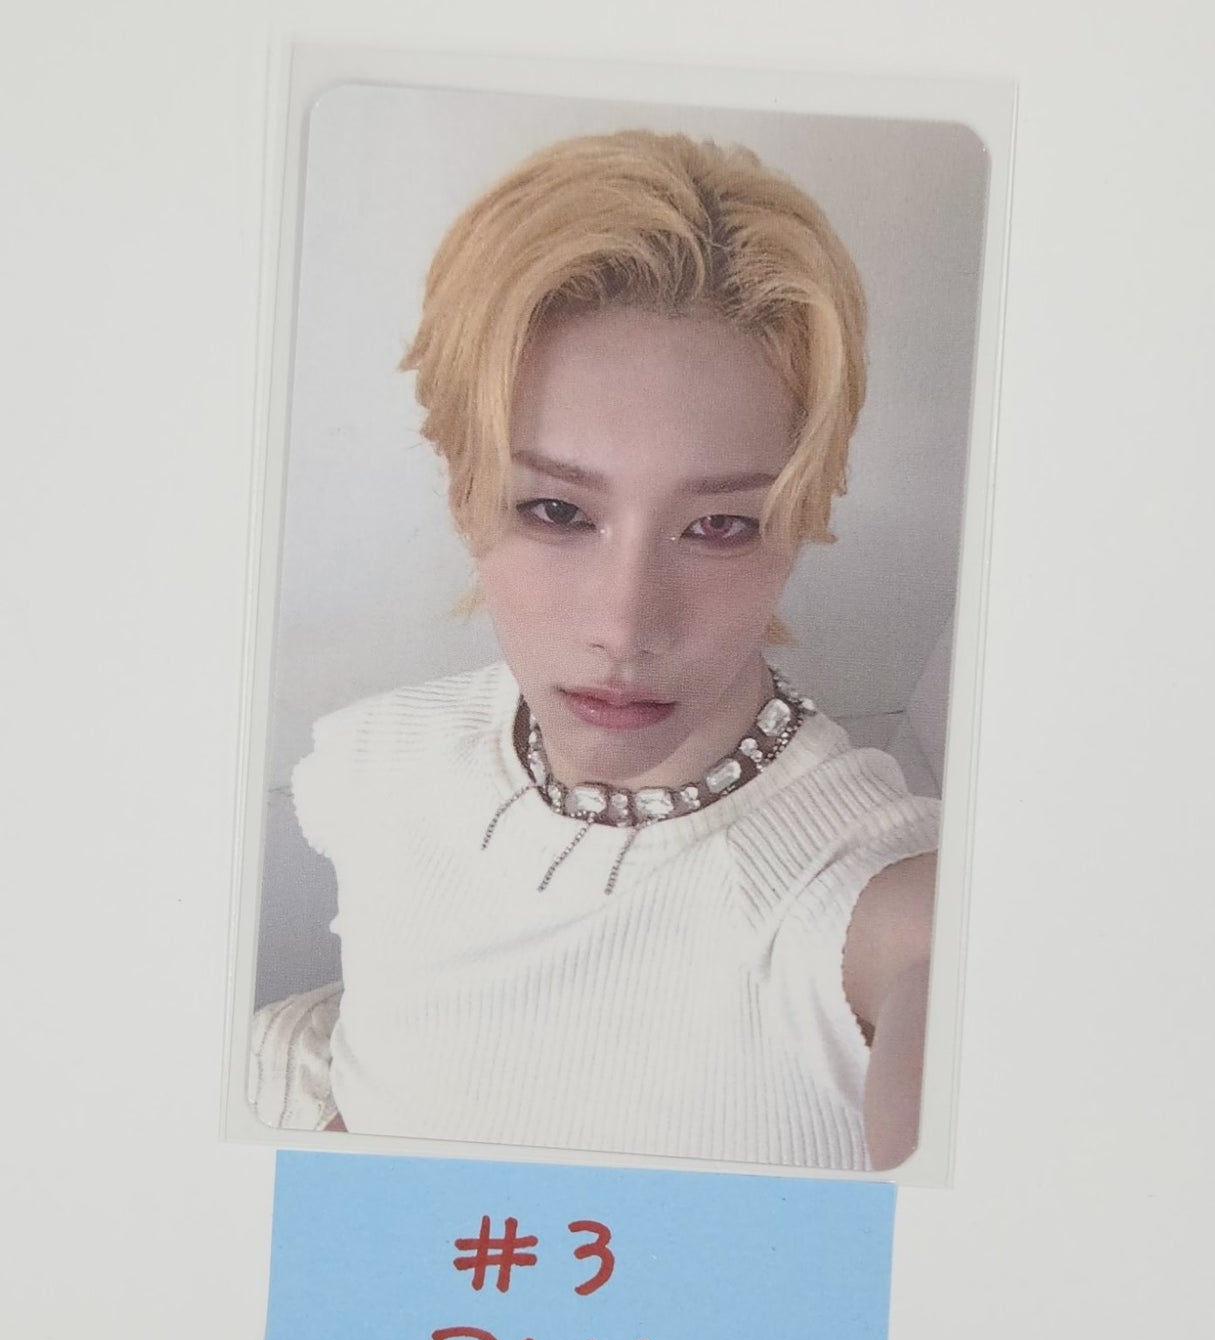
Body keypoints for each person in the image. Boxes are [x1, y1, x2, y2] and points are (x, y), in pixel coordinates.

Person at [249, 129, 940, 1171]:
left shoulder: (867, 909)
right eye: (557, 510)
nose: (625, 627)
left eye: (719, 525)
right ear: (465, 493)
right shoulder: (370, 766)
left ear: (800, 520)